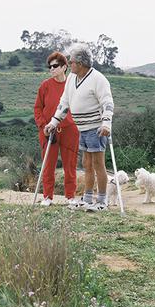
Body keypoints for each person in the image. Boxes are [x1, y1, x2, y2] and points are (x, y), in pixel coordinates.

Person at [44, 43, 113, 212]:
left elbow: (107, 103)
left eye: (72, 61)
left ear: (80, 64)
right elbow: (64, 102)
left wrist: (106, 123)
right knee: (86, 163)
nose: (69, 64)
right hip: (81, 128)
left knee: (98, 164)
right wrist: (54, 122)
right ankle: (87, 199)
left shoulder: (98, 79)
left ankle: (102, 201)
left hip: (96, 128)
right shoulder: (71, 79)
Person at [33, 51, 80, 207]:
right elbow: (37, 108)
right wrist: (43, 125)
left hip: (70, 130)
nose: (51, 69)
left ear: (64, 67)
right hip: (48, 130)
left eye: (55, 66)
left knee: (70, 164)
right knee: (48, 164)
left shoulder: (72, 85)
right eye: (50, 67)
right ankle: (47, 197)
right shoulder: (45, 86)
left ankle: (70, 196)